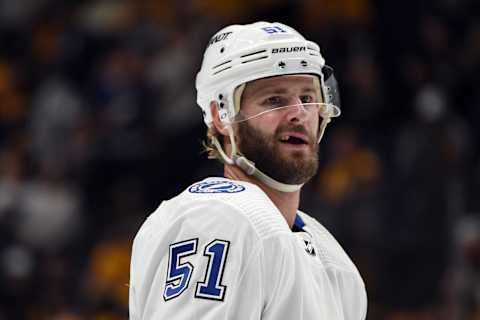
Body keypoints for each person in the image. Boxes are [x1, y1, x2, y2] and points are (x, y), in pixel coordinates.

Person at [129, 21, 367, 320]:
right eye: (274, 100)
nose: (299, 113)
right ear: (221, 116)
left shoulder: (332, 258)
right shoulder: (217, 218)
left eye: (307, 97)